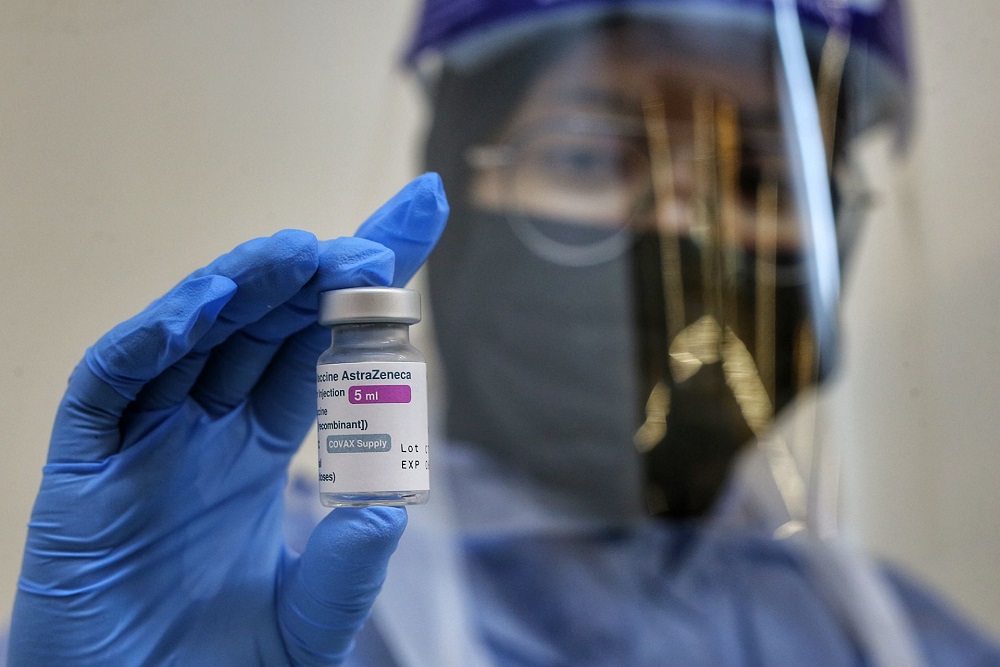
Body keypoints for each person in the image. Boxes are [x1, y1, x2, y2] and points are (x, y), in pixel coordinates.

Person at [7, 1, 1000, 666]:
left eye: (764, 185)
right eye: (589, 154)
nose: (682, 241)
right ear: (457, 179)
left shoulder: (915, 647)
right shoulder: (263, 593)